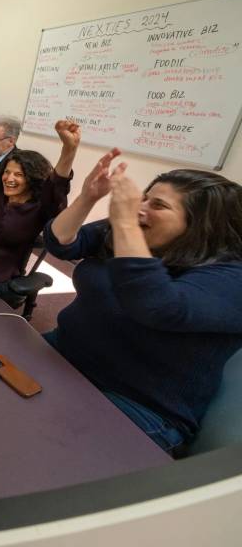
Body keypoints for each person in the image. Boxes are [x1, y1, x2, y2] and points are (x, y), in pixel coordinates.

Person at [43, 150, 242, 453]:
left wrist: (125, 224)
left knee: (38, 450)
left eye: (158, 205)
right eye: (144, 198)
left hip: (138, 404)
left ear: (202, 226)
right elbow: (60, 243)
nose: (141, 209)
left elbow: (156, 306)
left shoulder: (230, 276)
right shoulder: (132, 233)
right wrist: (87, 198)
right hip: (66, 354)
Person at [0, 91, 79, 305]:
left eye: (18, 175)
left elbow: (58, 185)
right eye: (7, 172)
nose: (9, 179)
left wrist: (69, 149)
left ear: (32, 178)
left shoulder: (40, 207)